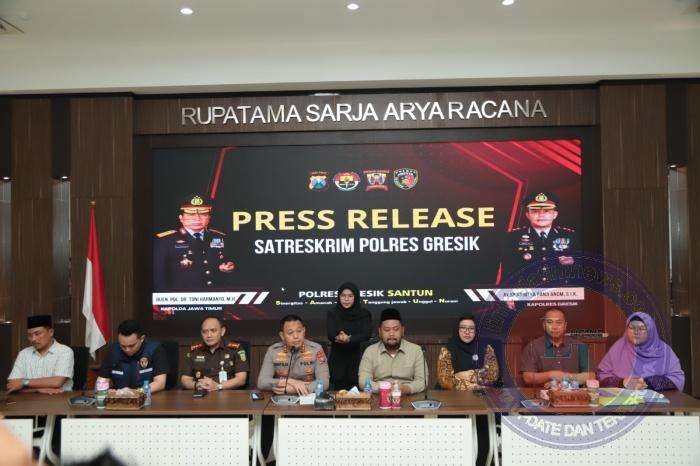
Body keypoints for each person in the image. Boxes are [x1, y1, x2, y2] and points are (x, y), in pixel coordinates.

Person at [153, 194, 235, 291]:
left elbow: (227, 263)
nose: (197, 218)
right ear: (181, 218)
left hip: (215, 295)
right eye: (191, 215)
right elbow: (159, 275)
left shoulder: (219, 237)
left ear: (209, 218)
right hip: (182, 297)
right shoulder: (166, 240)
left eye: (203, 214)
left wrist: (229, 266)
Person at [501, 191, 578, 282]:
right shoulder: (513, 238)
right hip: (526, 289)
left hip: (560, 288)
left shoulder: (570, 236)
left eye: (546, 211)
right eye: (535, 211)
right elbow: (508, 274)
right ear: (528, 215)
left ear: (555, 214)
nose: (541, 215)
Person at [597, 312, 684, 391]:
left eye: (642, 328)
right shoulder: (618, 348)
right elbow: (602, 375)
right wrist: (622, 382)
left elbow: (677, 379)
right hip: (622, 399)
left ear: (650, 331)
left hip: (658, 400)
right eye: (632, 328)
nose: (636, 332)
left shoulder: (664, 350)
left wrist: (647, 382)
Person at [358, 308, 427, 394]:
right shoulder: (370, 351)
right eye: (387, 330)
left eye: (396, 329)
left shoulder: (416, 350)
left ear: (402, 330)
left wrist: (406, 389)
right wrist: (385, 388)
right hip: (378, 397)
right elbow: (363, 382)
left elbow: (422, 381)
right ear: (379, 332)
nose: (391, 334)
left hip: (407, 396)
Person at [257, 314, 329, 395]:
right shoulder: (273, 351)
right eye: (290, 333)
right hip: (282, 398)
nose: (296, 336)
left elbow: (324, 382)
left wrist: (294, 389)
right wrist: (289, 381)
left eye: (299, 331)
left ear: (304, 331)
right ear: (282, 335)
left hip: (308, 397)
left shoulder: (316, 349)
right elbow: (261, 382)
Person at [520, 308, 593, 387]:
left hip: (573, 392)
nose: (554, 327)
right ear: (544, 325)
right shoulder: (532, 347)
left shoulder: (580, 346)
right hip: (542, 393)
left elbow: (591, 376)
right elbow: (527, 377)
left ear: (565, 325)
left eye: (559, 322)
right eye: (550, 322)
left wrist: (565, 380)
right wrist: (551, 375)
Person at [6, 315, 74, 394]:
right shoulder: (24, 354)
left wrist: (23, 382)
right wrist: (38, 390)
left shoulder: (64, 351)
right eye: (29, 335)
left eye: (37, 334)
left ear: (51, 332)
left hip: (58, 399)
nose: (33, 339)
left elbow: (57, 382)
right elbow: (12, 385)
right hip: (28, 400)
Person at [181, 316, 249, 391]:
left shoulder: (235, 349)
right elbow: (185, 379)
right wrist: (196, 385)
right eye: (205, 331)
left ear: (222, 331)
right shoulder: (195, 350)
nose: (209, 335)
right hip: (201, 393)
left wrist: (218, 386)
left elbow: (241, 379)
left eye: (213, 330)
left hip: (227, 393)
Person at [98, 320, 168, 393]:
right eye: (123, 346)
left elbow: (160, 383)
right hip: (120, 397)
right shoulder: (113, 351)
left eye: (131, 346)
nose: (127, 350)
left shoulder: (154, 349)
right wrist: (107, 391)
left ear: (142, 339)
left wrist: (137, 392)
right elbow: (101, 382)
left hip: (148, 396)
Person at [326, 282, 372, 390]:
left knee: (358, 393)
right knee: (338, 394)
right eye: (343, 296)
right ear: (339, 297)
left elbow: (366, 334)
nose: (346, 299)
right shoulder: (332, 313)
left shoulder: (364, 313)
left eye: (350, 296)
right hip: (337, 360)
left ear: (355, 297)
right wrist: (339, 337)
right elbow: (330, 334)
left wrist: (349, 339)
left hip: (358, 358)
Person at [437, 314, 500, 390]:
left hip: (481, 395)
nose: (467, 332)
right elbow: (444, 381)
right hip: (453, 395)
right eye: (463, 328)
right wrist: (473, 385)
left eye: (471, 328)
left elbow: (493, 376)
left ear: (476, 331)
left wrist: (465, 375)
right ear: (457, 330)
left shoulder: (486, 348)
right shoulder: (447, 349)